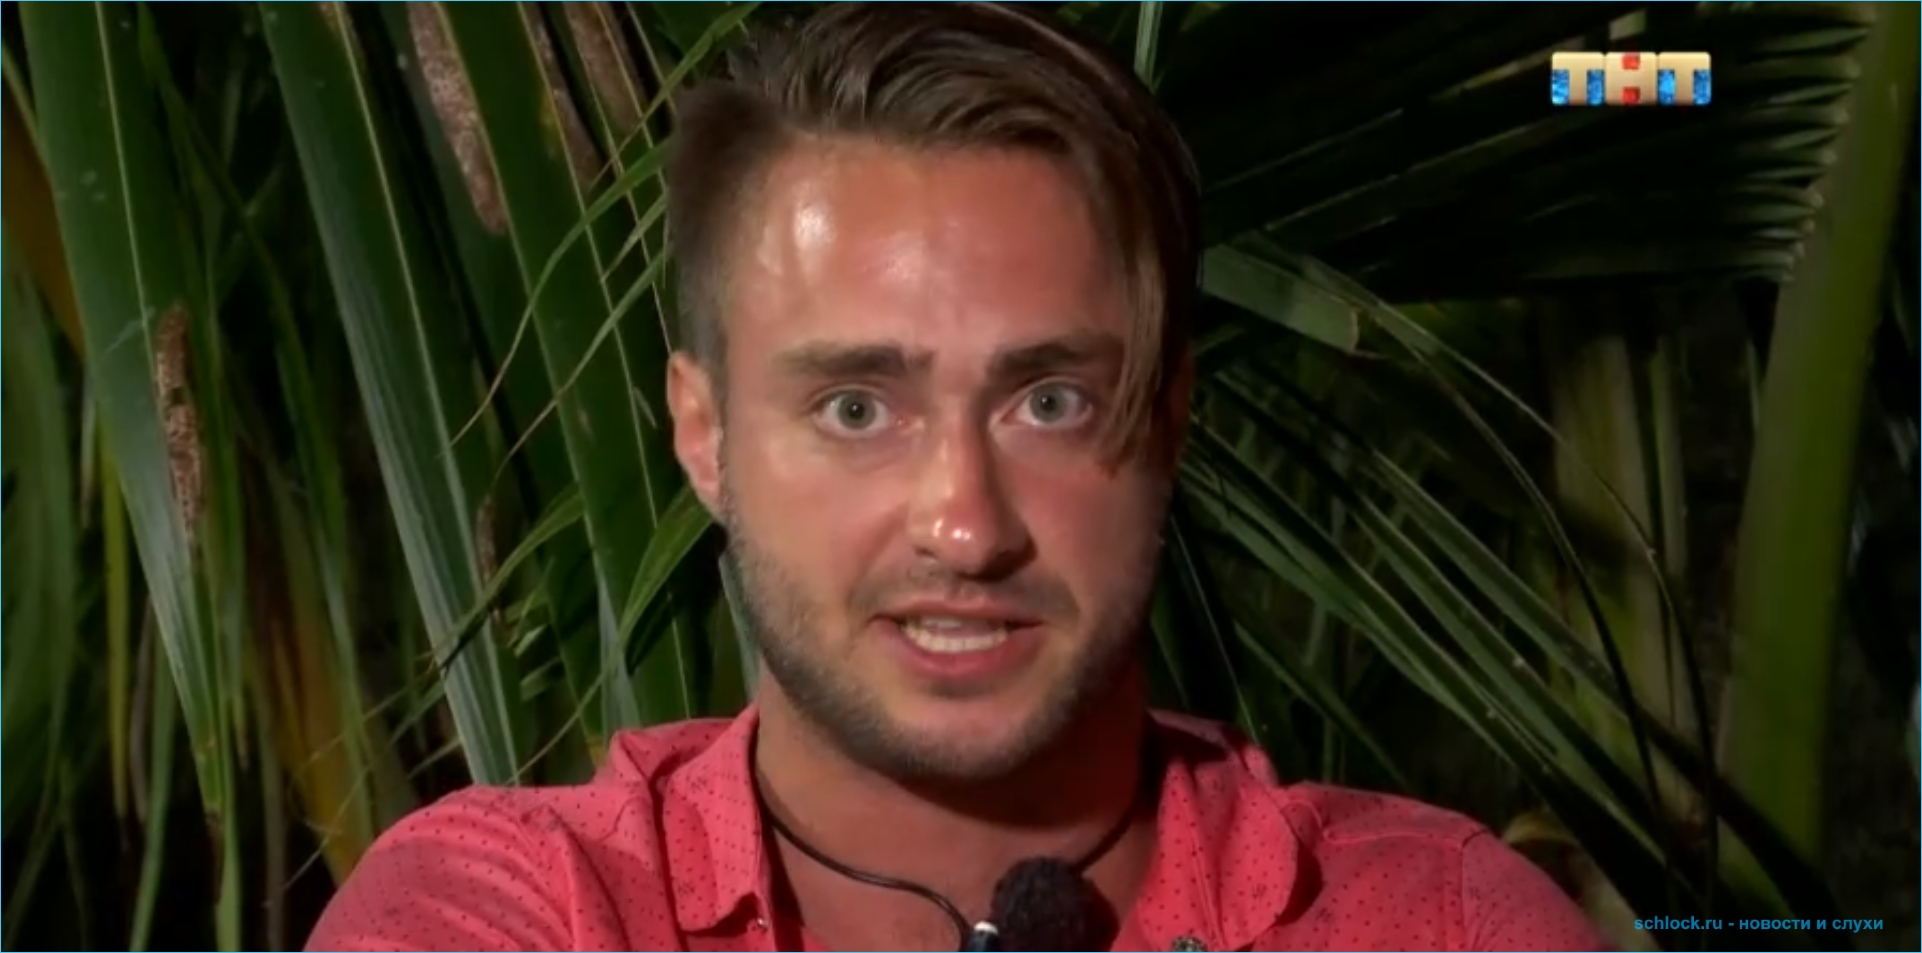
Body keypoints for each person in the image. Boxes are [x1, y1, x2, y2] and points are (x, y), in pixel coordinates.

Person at [305, 3, 1610, 951]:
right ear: (704, 438)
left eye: (1049, 402)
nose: (965, 527)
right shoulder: (504, 916)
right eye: (856, 407)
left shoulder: (1438, 922)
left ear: (1167, 421)